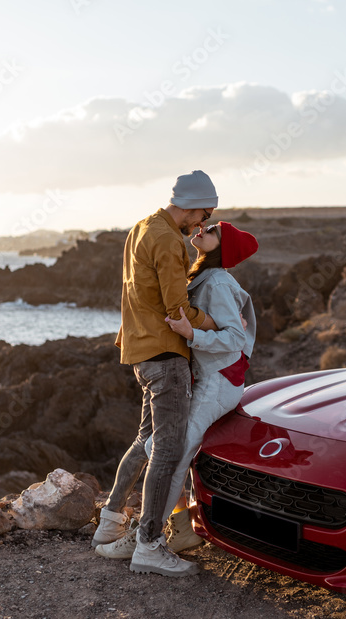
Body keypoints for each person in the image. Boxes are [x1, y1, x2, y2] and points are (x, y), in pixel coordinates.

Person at [96, 220, 258, 559]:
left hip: (218, 384)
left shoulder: (217, 281)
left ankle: (145, 536)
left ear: (222, 246)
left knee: (170, 454)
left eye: (212, 229)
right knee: (166, 452)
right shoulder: (202, 276)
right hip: (210, 379)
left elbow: (234, 338)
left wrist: (190, 332)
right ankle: (178, 531)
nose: (202, 228)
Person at [91, 170, 218, 577]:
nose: (204, 222)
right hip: (165, 356)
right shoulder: (167, 238)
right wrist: (215, 324)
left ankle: (109, 522)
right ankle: (149, 544)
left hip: (140, 352)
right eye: (205, 212)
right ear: (193, 203)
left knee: (145, 440)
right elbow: (176, 309)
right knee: (166, 450)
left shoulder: (143, 227)